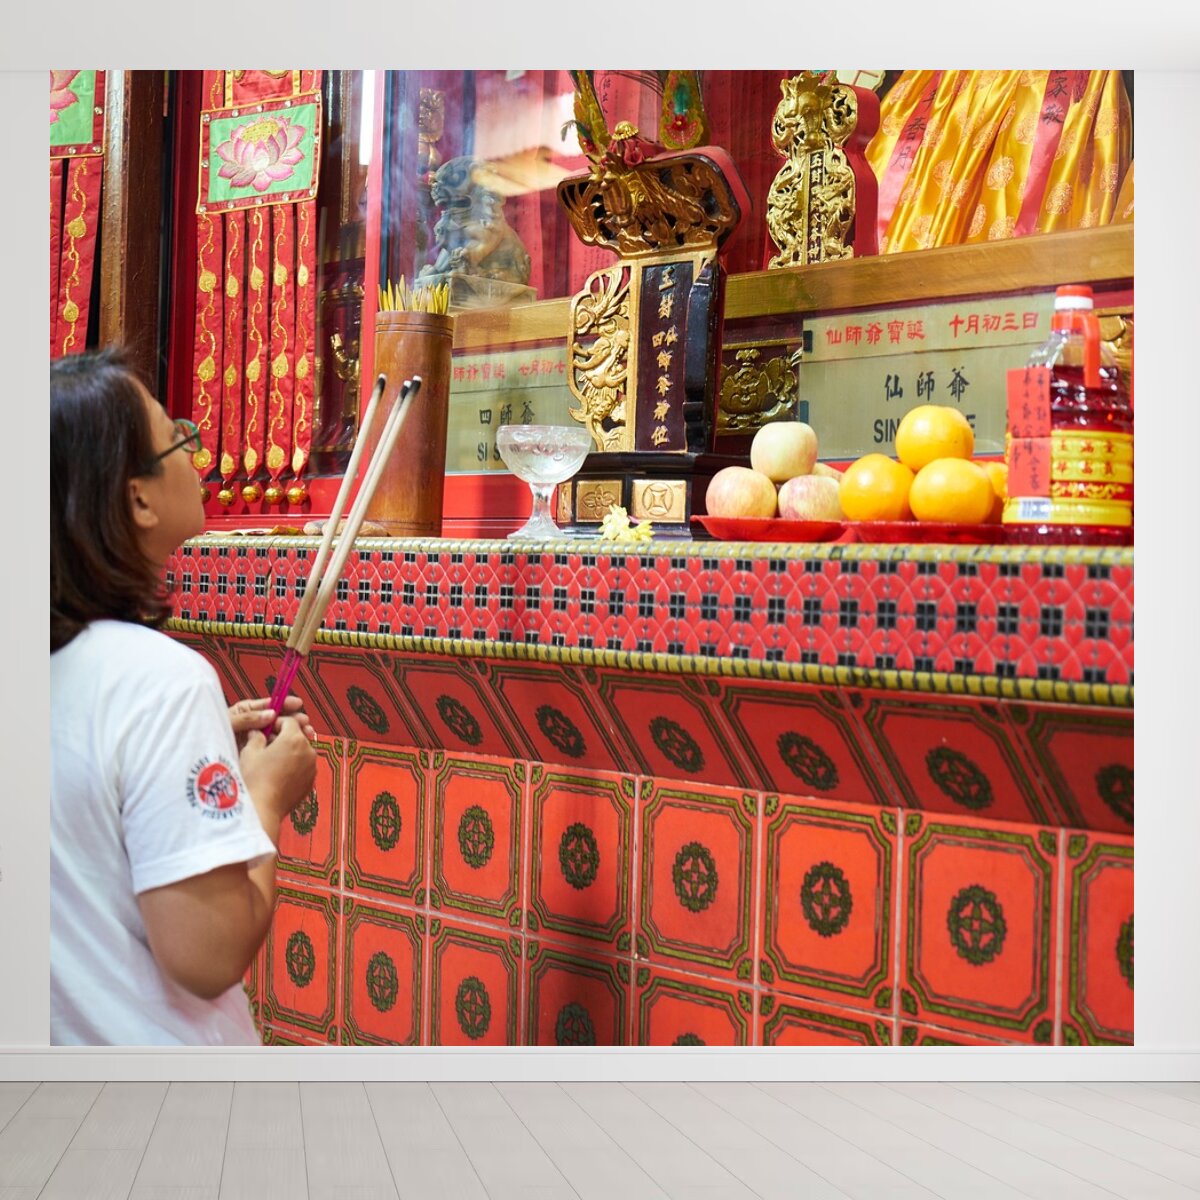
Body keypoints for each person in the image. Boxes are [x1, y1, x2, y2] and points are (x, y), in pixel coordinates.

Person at [50, 347, 317, 1045]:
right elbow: (207, 954)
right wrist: (264, 796)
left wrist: (194, 747)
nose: (196, 454)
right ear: (137, 498)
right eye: (177, 439)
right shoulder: (161, 681)